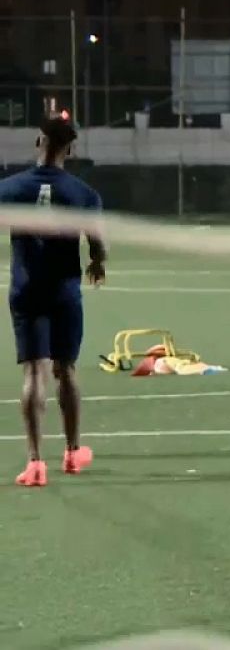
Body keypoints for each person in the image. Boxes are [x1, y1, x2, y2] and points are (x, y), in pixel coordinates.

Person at [0, 116, 106, 487]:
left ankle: (34, 462)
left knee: (33, 373)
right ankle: (73, 452)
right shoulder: (83, 194)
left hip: (26, 290)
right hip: (63, 292)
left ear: (38, 141)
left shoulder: (9, 188)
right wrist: (97, 262)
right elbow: (95, 243)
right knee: (66, 370)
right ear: (70, 150)